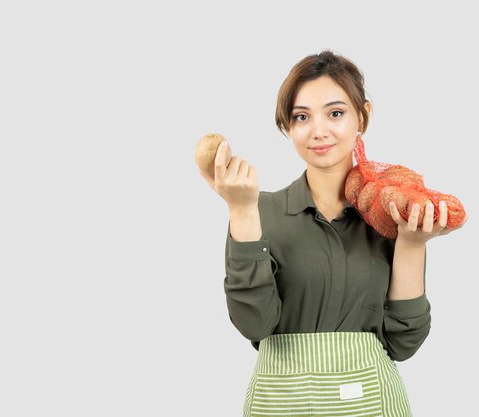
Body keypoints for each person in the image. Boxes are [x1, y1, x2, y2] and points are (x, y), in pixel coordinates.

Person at [199, 50, 468, 417]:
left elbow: (404, 342)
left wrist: (411, 243)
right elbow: (254, 325)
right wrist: (242, 210)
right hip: (281, 405)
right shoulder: (261, 211)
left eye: (336, 113)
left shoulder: (390, 215)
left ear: (363, 117)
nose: (319, 130)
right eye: (301, 117)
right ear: (287, 127)